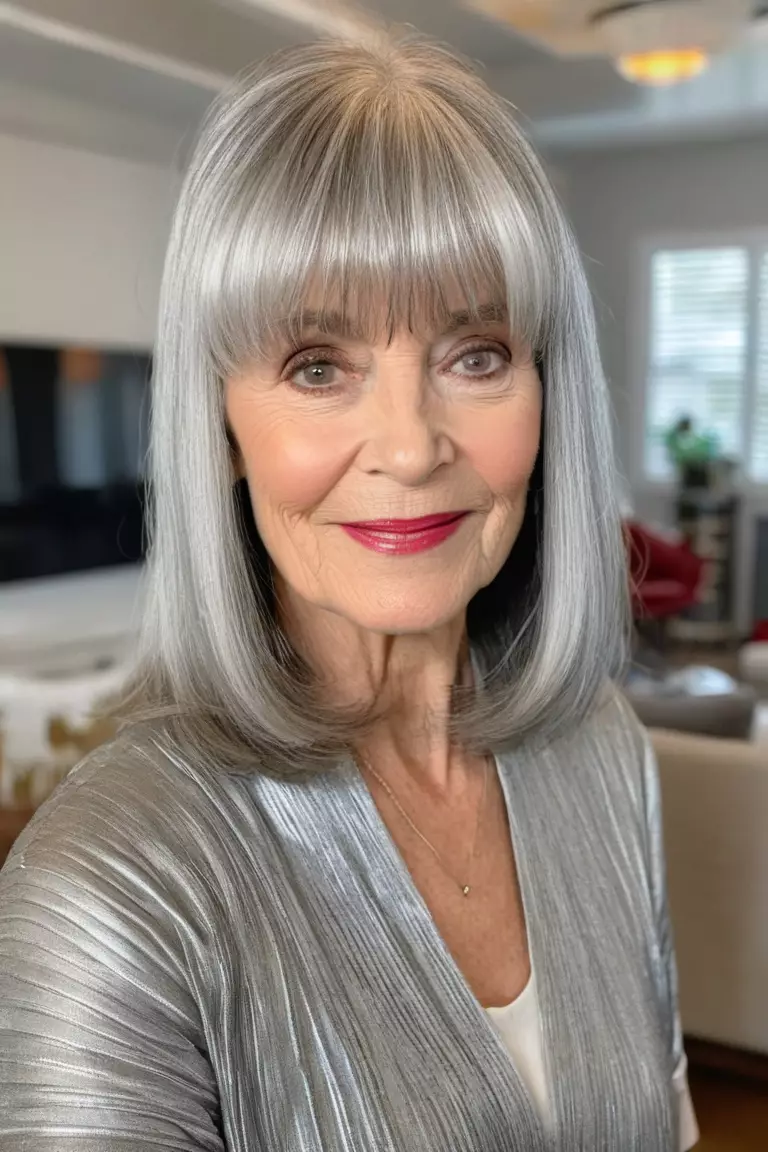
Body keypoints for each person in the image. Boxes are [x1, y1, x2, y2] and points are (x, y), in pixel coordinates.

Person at [0, 34, 698, 1151]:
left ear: (546, 391)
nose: (412, 448)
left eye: (476, 354)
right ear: (220, 425)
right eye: (318, 365)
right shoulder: (108, 888)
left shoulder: (601, 748)